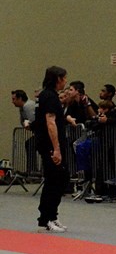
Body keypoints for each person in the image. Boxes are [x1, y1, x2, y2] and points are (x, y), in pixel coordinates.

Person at [33, 66, 70, 232]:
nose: (66, 81)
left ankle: (52, 215)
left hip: (49, 144)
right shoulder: (50, 97)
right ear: (58, 79)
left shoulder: (47, 95)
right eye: (64, 78)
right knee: (54, 180)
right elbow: (50, 122)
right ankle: (46, 217)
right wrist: (56, 149)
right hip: (50, 145)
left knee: (60, 178)